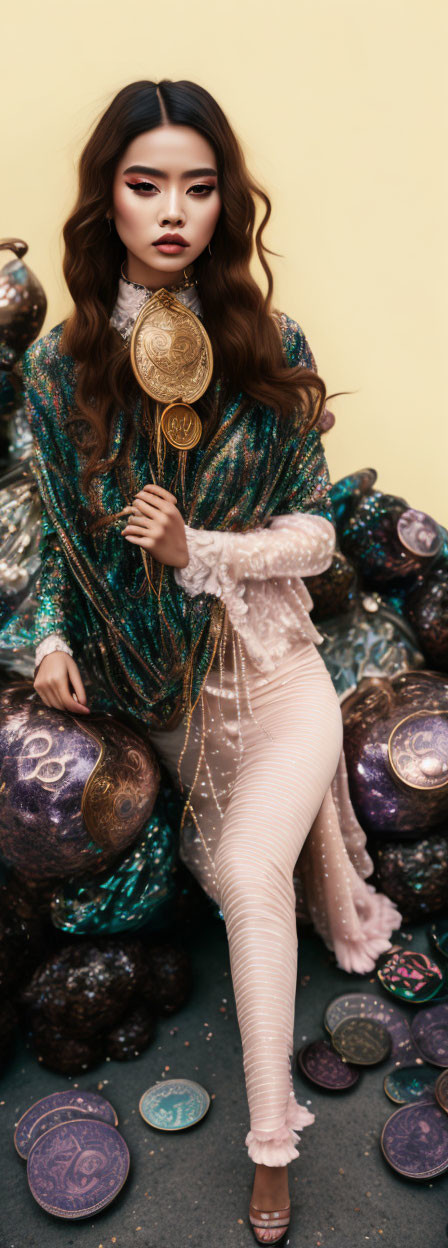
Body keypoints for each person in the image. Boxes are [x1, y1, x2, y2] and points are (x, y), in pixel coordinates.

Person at [21, 79, 401, 1243]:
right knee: (229, 868)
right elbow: (32, 526)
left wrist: (205, 550)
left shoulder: (263, 342)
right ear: (109, 203)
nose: (173, 209)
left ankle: (271, 1143)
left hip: (277, 676)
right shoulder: (57, 367)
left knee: (243, 877)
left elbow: (318, 531)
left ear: (226, 202)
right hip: (158, 703)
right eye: (146, 185)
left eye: (198, 185)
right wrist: (40, 636)